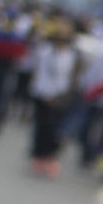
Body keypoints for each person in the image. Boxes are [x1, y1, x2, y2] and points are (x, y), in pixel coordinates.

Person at [27, 24, 77, 177]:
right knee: (41, 127)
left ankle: (49, 157)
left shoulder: (71, 56)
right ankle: (38, 156)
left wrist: (61, 96)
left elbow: (70, 78)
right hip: (42, 95)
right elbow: (38, 73)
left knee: (54, 130)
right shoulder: (44, 51)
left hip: (59, 98)